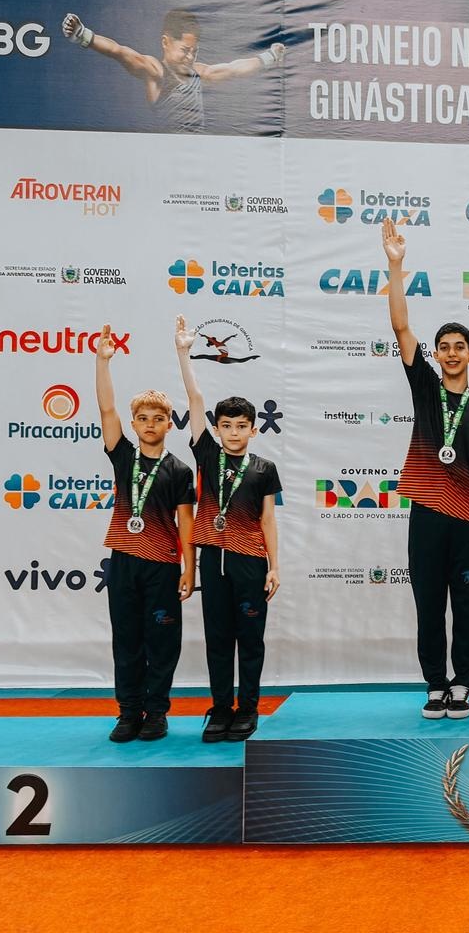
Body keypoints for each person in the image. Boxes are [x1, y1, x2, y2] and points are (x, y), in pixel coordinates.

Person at [382, 217, 469, 720]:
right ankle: (435, 684)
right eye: (444, 347)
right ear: (435, 354)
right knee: (429, 603)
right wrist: (396, 266)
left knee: (468, 607)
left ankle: (462, 684)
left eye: (460, 347)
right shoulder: (426, 388)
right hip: (427, 515)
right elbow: (400, 326)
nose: (452, 354)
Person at [175, 315, 281, 742]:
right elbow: (195, 397)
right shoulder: (206, 455)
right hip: (212, 560)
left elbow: (268, 519)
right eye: (226, 425)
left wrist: (275, 566)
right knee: (218, 639)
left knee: (250, 639)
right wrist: (184, 353)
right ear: (216, 429)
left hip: (251, 562)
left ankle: (248, 709)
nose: (233, 432)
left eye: (241, 426)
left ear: (253, 429)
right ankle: (220, 709)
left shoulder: (264, 468)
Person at [95, 324, 196, 742]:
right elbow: (106, 410)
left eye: (158, 419)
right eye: (142, 418)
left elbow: (186, 522)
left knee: (162, 641)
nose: (150, 424)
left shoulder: (179, 470)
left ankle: (156, 713)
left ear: (170, 424)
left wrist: (189, 568)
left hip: (162, 567)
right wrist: (102, 363)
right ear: (134, 424)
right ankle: (127, 713)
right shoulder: (123, 457)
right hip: (123, 563)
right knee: (127, 640)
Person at [62, 9, 285, 133]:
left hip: (195, 158)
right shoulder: (156, 71)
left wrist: (270, 57)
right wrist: (83, 35)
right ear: (166, 42)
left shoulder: (198, 72)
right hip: (166, 156)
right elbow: (119, 51)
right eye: (185, 50)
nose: (190, 57)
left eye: (194, 51)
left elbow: (233, 69)